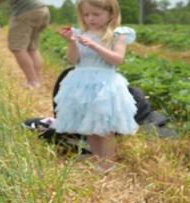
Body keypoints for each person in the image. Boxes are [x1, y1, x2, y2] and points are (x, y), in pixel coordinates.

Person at [52, 0, 136, 172]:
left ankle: (108, 164)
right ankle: (99, 161)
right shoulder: (80, 33)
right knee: (89, 124)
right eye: (86, 15)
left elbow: (118, 59)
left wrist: (95, 46)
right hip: (81, 82)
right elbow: (73, 60)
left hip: (104, 83)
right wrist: (71, 42)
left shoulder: (117, 35)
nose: (90, 18)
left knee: (104, 127)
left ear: (111, 14)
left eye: (96, 14)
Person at [0, 0, 54, 90]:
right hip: (42, 10)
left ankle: (32, 82)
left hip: (27, 11)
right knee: (31, 48)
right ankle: (37, 80)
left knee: (17, 48)